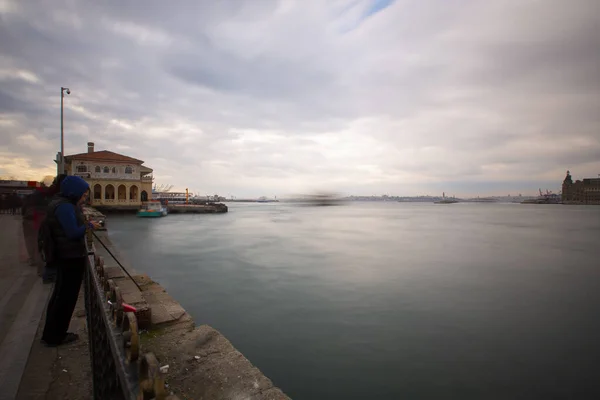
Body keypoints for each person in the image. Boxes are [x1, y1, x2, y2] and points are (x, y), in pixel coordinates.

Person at [41, 175, 101, 346]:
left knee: (60, 295)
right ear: (74, 192)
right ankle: (56, 336)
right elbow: (73, 232)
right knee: (65, 298)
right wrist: (90, 226)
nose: (85, 197)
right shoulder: (65, 207)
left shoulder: (59, 203)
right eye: (83, 194)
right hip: (69, 257)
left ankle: (51, 333)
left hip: (65, 256)